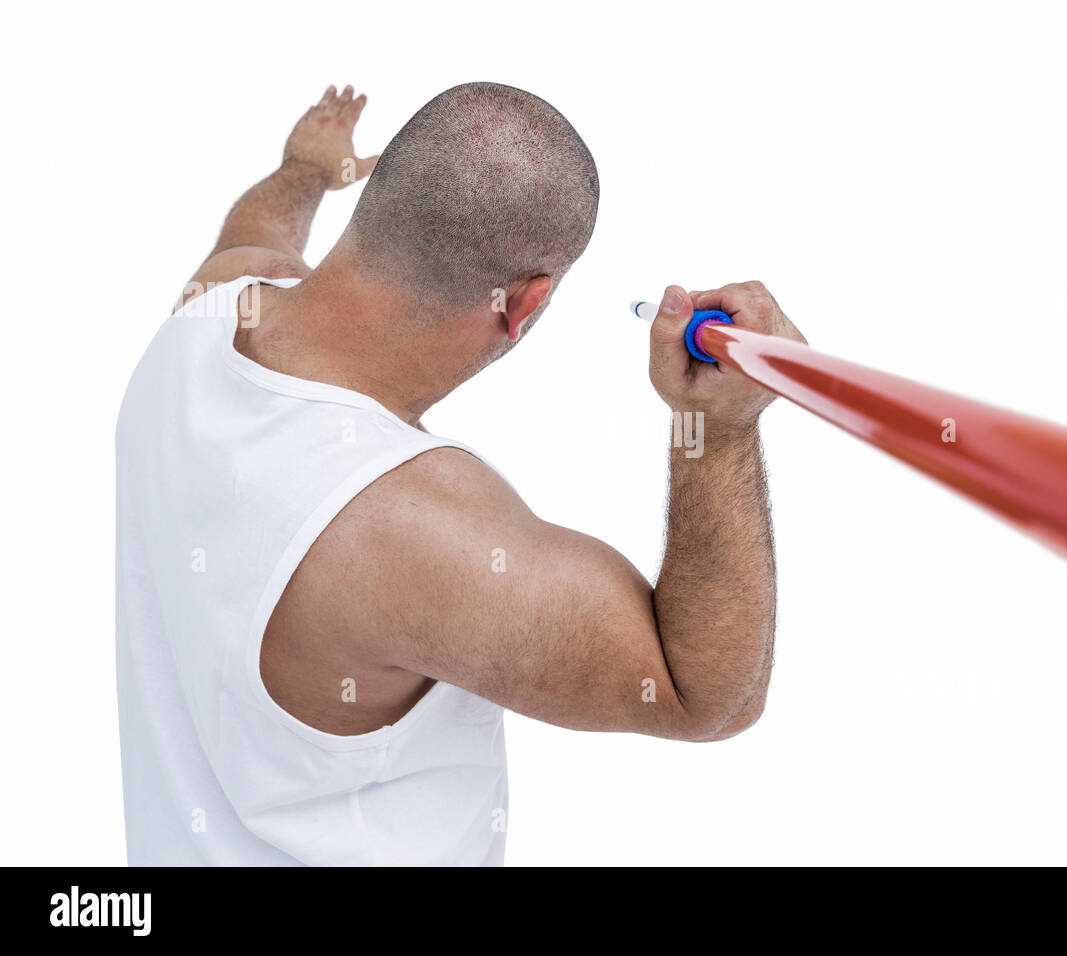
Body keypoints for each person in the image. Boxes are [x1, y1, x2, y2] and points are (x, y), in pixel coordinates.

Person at [116, 81, 806, 866]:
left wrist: (303, 168)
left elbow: (260, 225)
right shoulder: (405, 525)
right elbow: (706, 696)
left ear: (377, 201)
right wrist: (715, 432)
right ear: (525, 304)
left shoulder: (208, 308)